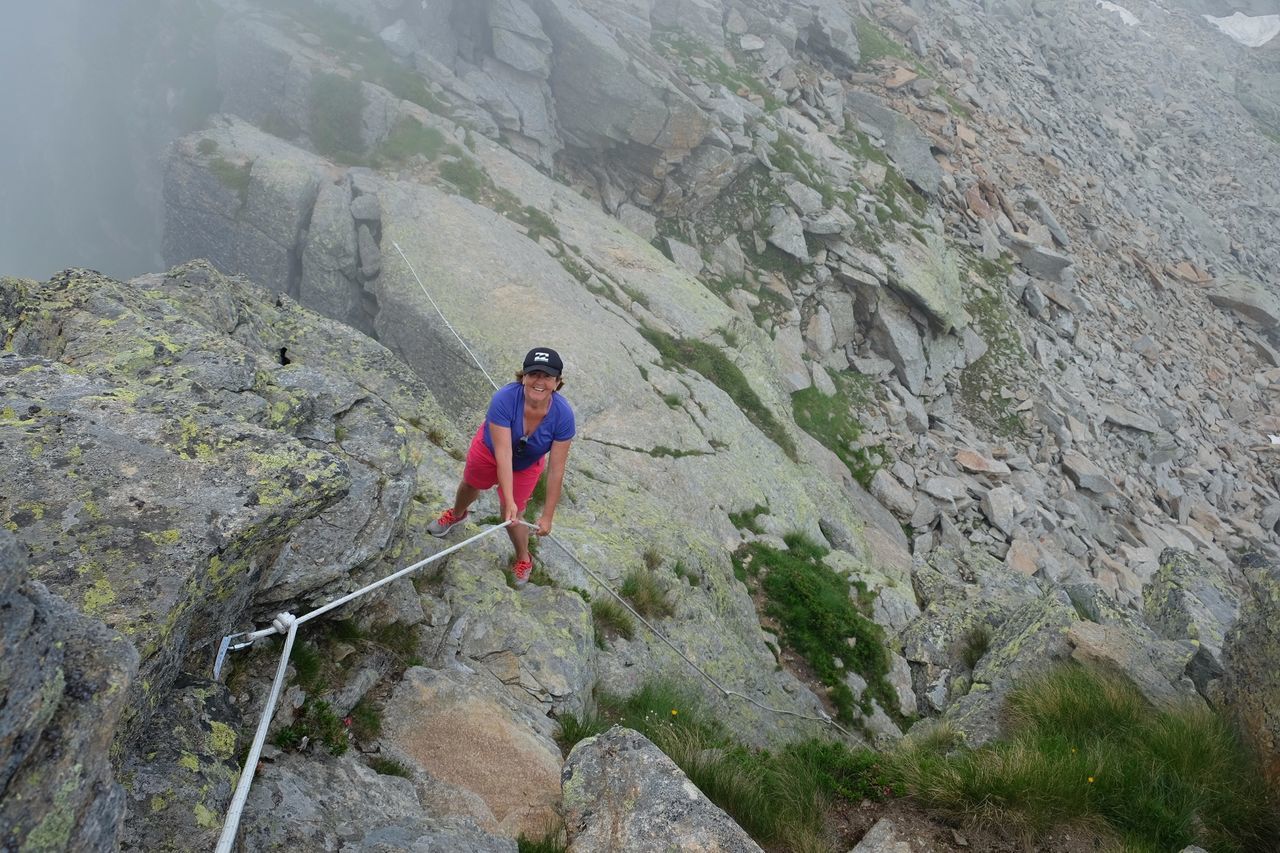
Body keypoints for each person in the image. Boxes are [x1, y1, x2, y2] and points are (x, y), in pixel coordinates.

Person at [426, 347, 575, 586]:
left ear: (557, 383)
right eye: (534, 374)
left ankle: (524, 558)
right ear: (523, 377)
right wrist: (508, 498)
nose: (540, 381)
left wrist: (547, 516)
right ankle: (456, 515)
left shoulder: (563, 415)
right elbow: (503, 453)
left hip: (526, 465)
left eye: (547, 376)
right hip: (489, 451)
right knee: (471, 484)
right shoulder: (505, 399)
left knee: (515, 513)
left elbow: (557, 469)